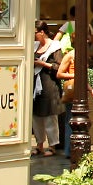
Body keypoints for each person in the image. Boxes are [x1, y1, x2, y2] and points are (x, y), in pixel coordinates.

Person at [31, 22, 65, 157]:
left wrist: (43, 64)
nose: (33, 35)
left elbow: (59, 66)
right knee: (36, 115)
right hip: (35, 83)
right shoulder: (33, 46)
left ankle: (52, 145)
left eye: (35, 32)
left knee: (50, 115)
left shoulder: (55, 47)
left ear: (42, 32)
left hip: (49, 83)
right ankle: (39, 144)